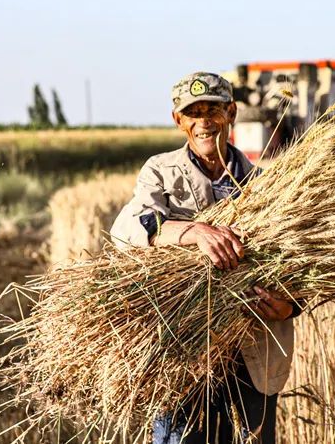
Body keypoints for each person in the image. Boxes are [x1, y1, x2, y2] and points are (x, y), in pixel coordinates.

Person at [110, 72, 301, 444]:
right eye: (193, 113)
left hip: (253, 354)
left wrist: (289, 306)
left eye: (213, 111)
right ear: (178, 120)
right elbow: (129, 228)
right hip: (185, 352)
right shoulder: (160, 172)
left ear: (231, 113)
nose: (204, 122)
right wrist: (195, 232)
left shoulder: (267, 187)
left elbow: (302, 261)